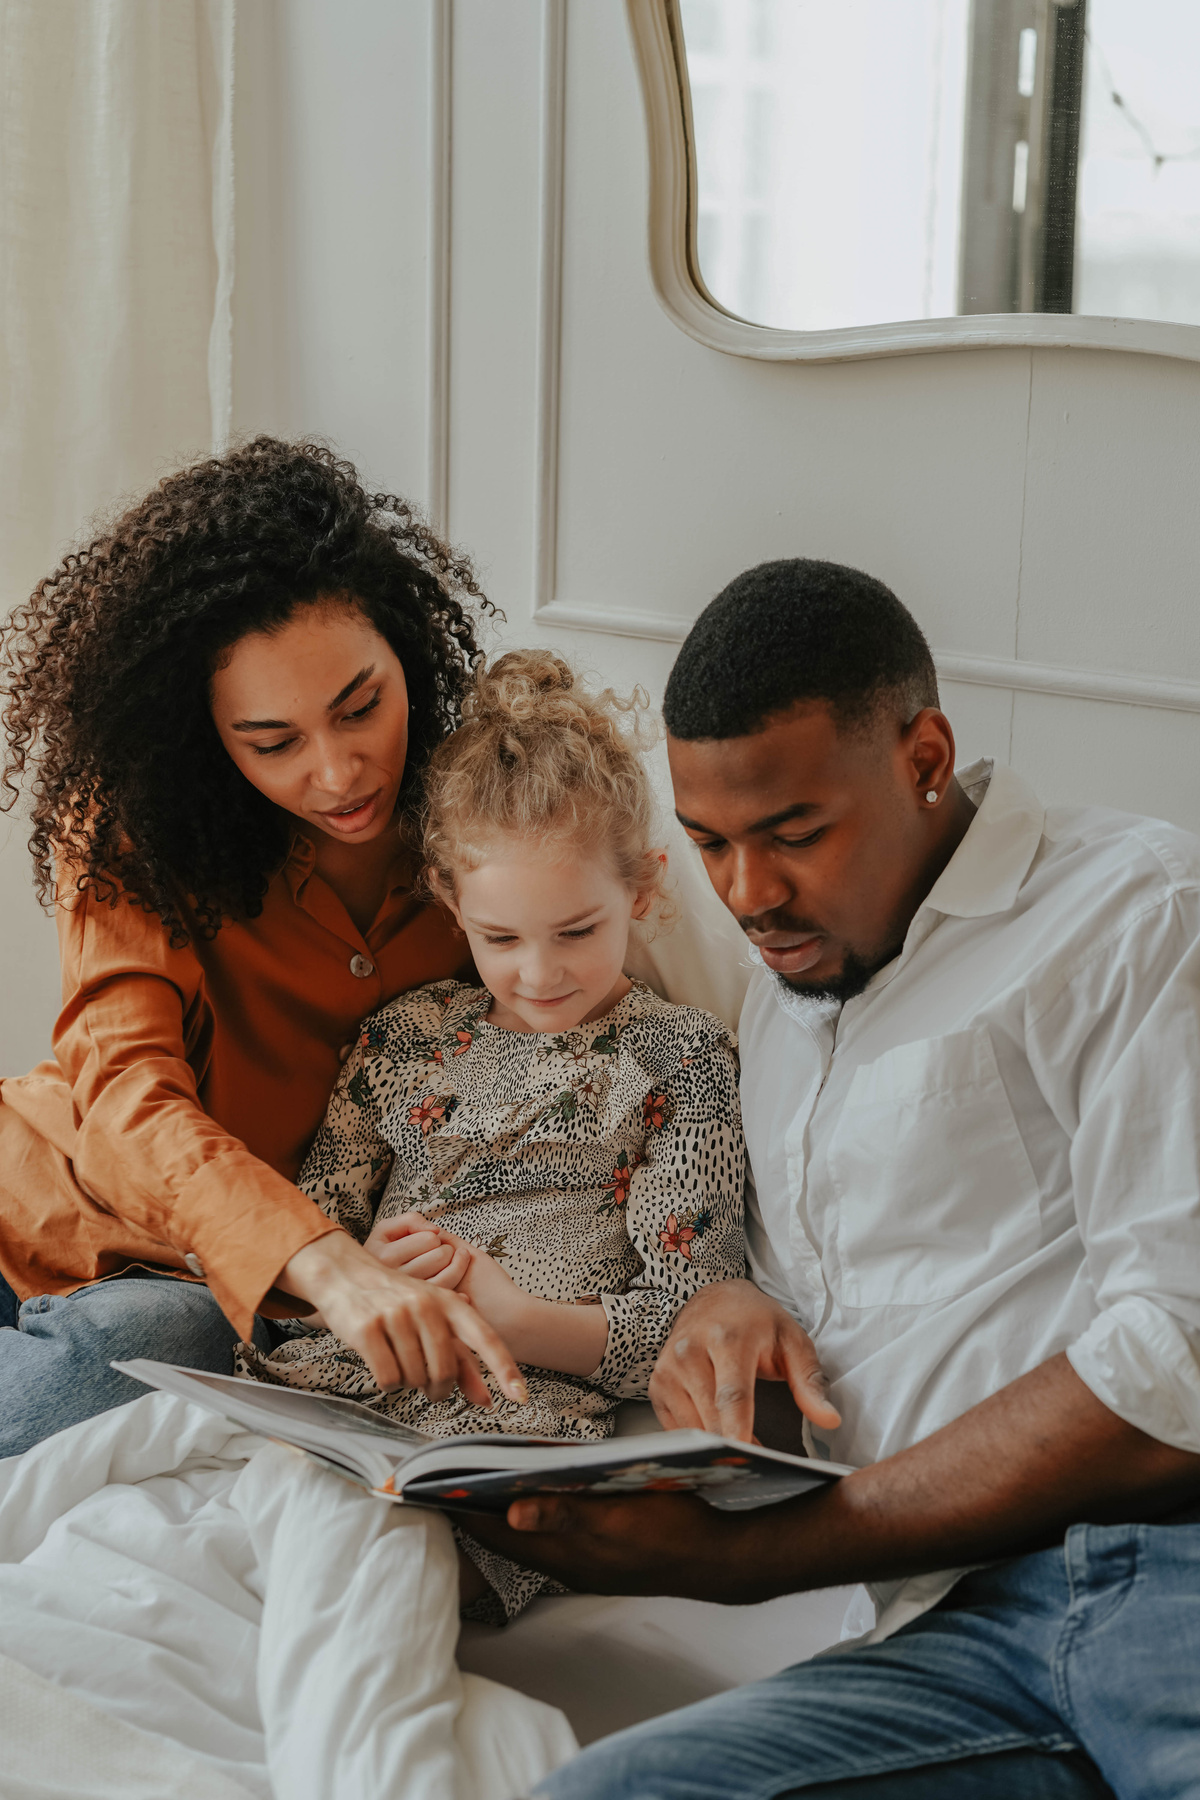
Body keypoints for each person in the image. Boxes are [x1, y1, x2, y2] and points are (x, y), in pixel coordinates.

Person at [465, 560, 1200, 1798]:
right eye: (709, 845)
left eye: (793, 835)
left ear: (923, 757)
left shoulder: (1134, 915)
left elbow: (1178, 1360)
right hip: (946, 1633)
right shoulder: (783, 999)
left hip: (1160, 1577)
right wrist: (731, 1303)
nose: (748, 894)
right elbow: (834, 1289)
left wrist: (756, 1560)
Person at [0, 436, 528, 1457]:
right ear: (206, 737)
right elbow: (124, 1095)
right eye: (273, 744)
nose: (337, 773)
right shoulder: (134, 826)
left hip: (197, 1292)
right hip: (47, 1206)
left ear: (406, 653)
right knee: (162, 1336)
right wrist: (322, 1259)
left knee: (174, 1336)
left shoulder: (482, 817)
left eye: (362, 705)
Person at [240, 648, 746, 1623]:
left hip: (515, 1428)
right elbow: (297, 1257)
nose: (540, 973)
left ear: (641, 888)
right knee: (163, 1521)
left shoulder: (677, 1057)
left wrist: (516, 1317)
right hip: (336, 1391)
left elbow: (689, 1328)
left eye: (577, 930)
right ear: (448, 897)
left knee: (379, 1585)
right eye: (502, 939)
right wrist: (359, 1277)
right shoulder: (403, 1036)